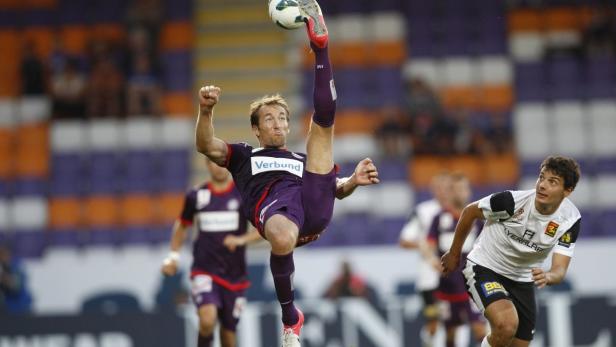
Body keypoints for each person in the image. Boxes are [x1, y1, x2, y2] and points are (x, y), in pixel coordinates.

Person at [194, 1, 380, 345]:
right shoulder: (243, 155)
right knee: (280, 238)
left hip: (314, 207)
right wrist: (206, 112)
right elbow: (207, 145)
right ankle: (291, 319)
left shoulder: (297, 157)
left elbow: (333, 189)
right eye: (269, 119)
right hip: (280, 214)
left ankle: (321, 49)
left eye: (281, 117)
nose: (278, 123)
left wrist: (352, 182)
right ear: (256, 129)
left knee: (321, 130)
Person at [441, 156, 582, 347]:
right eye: (541, 177)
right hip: (485, 268)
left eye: (552, 182)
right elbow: (470, 212)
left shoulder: (569, 220)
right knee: (506, 325)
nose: (542, 185)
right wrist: (454, 253)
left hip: (523, 281)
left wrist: (549, 276)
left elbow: (559, 269)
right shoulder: (511, 203)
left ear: (568, 191)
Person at [161, 158, 262, 347]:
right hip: (204, 269)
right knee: (207, 320)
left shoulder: (242, 194)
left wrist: (241, 240)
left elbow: (263, 228)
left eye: (223, 162)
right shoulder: (197, 195)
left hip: (234, 275)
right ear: (208, 164)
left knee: (228, 334)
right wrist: (173, 256)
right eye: (214, 162)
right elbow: (182, 225)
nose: (219, 166)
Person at [423, 173, 486, 347]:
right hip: (447, 286)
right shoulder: (439, 218)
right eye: (456, 189)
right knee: (450, 334)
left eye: (464, 189)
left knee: (481, 331)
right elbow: (429, 244)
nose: (461, 193)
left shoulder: (477, 219)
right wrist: (432, 260)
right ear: (450, 192)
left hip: (471, 285)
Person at [399, 172, 451, 347]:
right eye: (439, 187)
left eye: (447, 187)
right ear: (433, 190)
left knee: (455, 323)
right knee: (434, 322)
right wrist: (423, 246)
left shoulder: (462, 211)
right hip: (429, 276)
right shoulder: (423, 211)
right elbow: (404, 241)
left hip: (453, 275)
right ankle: (429, 342)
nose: (443, 191)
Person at [0, 245, 33, 315]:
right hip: (6, 309)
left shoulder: (17, 266)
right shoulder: (3, 267)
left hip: (21, 308)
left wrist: (5, 280)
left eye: (3, 254)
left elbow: (16, 286)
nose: (2, 257)